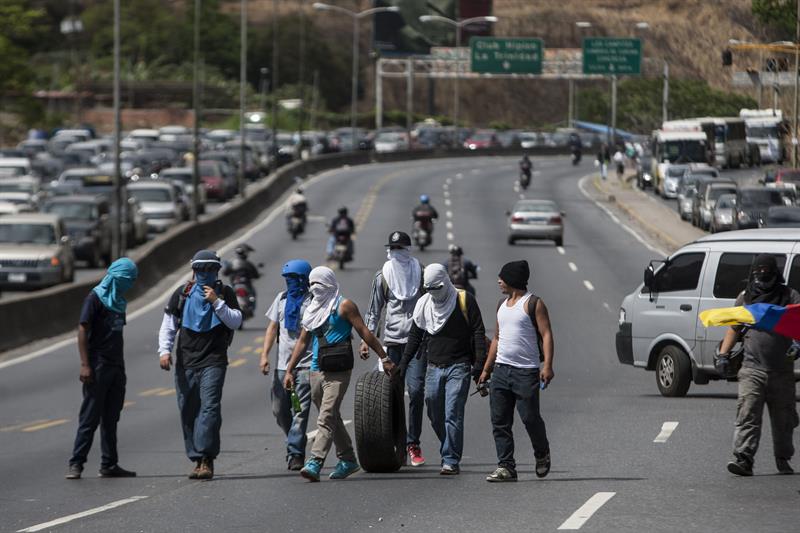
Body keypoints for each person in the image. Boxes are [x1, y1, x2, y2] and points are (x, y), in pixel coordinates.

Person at [283, 266, 393, 482]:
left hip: (339, 370)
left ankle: (315, 460)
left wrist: (384, 357)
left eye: (319, 284)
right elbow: (303, 341)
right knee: (331, 415)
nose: (315, 288)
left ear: (330, 283)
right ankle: (348, 459)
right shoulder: (312, 309)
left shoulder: (344, 306)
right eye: (312, 284)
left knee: (326, 416)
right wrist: (289, 369)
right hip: (316, 369)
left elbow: (364, 332)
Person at [158, 250, 242, 480]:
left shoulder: (225, 293)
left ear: (217, 271)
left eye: (210, 269)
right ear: (193, 271)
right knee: (188, 409)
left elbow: (235, 321)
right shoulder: (183, 294)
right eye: (200, 269)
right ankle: (196, 458)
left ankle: (207, 458)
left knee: (210, 408)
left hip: (214, 360)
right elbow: (169, 324)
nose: (205, 273)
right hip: (186, 361)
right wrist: (164, 351)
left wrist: (216, 302)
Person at [399, 264, 486, 475]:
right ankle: (449, 444)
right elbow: (415, 336)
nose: (434, 293)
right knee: (434, 413)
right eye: (429, 289)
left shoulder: (464, 300)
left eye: (437, 287)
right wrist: (404, 363)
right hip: (433, 367)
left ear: (446, 281)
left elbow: (478, 331)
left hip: (459, 366)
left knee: (453, 414)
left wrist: (479, 364)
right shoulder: (424, 304)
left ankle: (450, 459)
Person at [719, 254, 800, 476]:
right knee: (748, 414)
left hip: (782, 372)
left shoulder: (789, 296)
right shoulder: (745, 298)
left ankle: (783, 459)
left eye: (767, 275)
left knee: (784, 420)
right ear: (753, 275)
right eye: (759, 274)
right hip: (752, 369)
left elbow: (799, 323)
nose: (763, 279)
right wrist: (723, 355)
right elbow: (734, 328)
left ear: (776, 275)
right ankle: (743, 459)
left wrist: (797, 344)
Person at [478, 260, 553, 482]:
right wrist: (486, 369)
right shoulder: (502, 304)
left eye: (503, 277)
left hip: (525, 372)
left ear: (514, 280)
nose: (499, 281)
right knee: (499, 421)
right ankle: (506, 467)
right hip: (501, 370)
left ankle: (542, 453)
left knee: (530, 418)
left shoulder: (534, 304)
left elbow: (547, 334)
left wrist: (547, 365)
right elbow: (498, 339)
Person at [66, 258, 138, 480]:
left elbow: (116, 335)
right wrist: (85, 364)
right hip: (97, 366)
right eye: (128, 279)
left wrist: (121, 368)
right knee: (90, 418)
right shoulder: (95, 298)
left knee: (111, 417)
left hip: (116, 366)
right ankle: (76, 463)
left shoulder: (119, 301)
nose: (131, 283)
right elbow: (82, 330)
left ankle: (109, 463)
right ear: (118, 277)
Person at [362, 231, 427, 466]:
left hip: (417, 342)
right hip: (391, 344)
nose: (398, 253)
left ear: (408, 250)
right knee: (390, 395)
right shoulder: (382, 276)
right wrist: (365, 340)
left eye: (401, 249)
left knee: (417, 391)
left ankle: (413, 443)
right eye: (394, 249)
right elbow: (373, 311)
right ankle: (393, 439)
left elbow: (431, 303)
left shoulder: (420, 273)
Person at [259, 259, 314, 471]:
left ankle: (295, 453)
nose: (289, 282)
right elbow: (272, 328)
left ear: (303, 280)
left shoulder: (312, 301)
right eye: (287, 279)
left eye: (293, 279)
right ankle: (293, 438)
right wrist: (264, 355)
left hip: (305, 365)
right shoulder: (281, 299)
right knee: (279, 409)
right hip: (281, 366)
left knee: (301, 411)